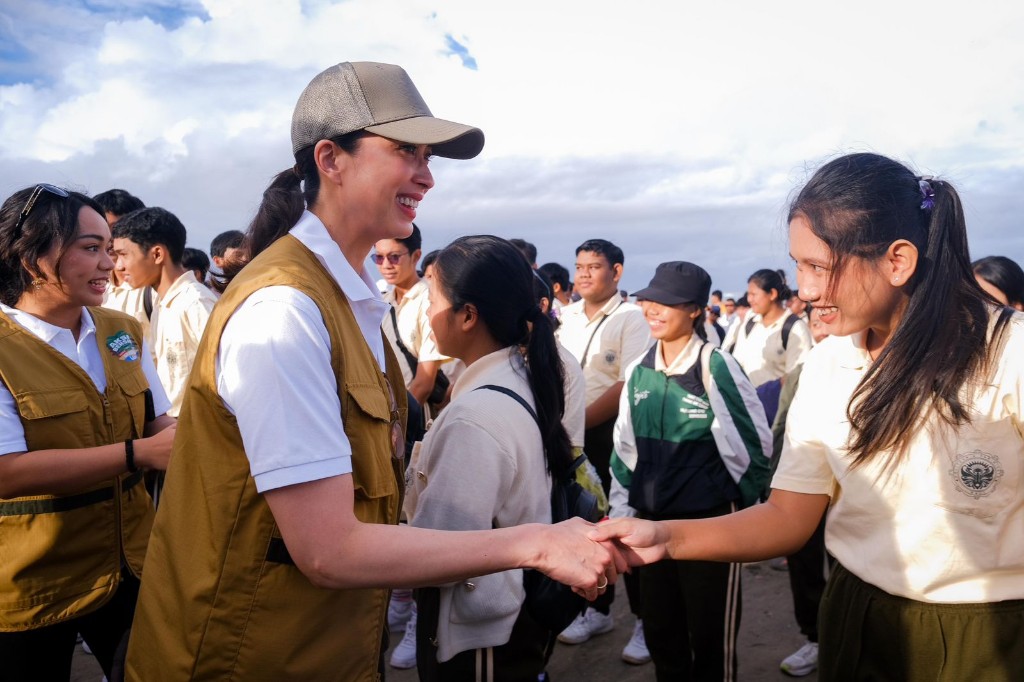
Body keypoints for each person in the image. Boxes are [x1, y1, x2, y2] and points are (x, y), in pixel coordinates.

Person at [124, 61, 618, 682]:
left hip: (320, 640)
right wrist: (537, 543)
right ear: (330, 159)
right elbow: (329, 550)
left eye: (428, 156)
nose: (427, 176)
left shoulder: (349, 300)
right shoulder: (285, 309)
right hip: (247, 651)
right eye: (406, 151)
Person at [593, 152, 1024, 682]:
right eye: (799, 266)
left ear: (898, 261)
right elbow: (787, 517)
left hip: (988, 638)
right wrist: (665, 538)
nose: (807, 289)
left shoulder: (1009, 355)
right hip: (856, 617)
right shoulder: (828, 363)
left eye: (819, 266)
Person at [0, 184, 176, 682]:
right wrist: (136, 454)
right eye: (91, 248)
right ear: (33, 256)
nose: (110, 265)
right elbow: (6, 473)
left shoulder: (120, 330)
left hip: (133, 565)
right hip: (33, 583)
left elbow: (158, 420)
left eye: (112, 249)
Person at [404, 235, 573, 679]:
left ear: (468, 315)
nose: (425, 311)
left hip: (481, 637)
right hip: (510, 616)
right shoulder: (515, 375)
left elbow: (438, 552)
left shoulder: (474, 417)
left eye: (433, 298)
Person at [610, 261, 771, 681]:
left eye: (668, 303)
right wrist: (623, 513)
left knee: (711, 636)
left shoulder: (715, 365)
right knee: (662, 632)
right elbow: (624, 451)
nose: (654, 310)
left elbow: (754, 449)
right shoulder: (639, 370)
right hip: (650, 526)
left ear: (696, 310)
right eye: (650, 299)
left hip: (710, 528)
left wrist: (739, 516)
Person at [555, 238, 651, 662]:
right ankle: (595, 608)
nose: (584, 275)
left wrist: (578, 424)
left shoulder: (631, 318)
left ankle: (646, 618)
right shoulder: (567, 315)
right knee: (581, 521)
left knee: (622, 522)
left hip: (608, 432)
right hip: (569, 435)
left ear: (617, 271)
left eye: (594, 267)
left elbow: (625, 384)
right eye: (579, 267)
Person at [111, 207, 218, 420]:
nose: (118, 266)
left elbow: (227, 377)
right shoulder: (162, 304)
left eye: (123, 255)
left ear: (157, 254)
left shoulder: (195, 302)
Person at [729, 269, 813, 423]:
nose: (749, 299)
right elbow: (736, 364)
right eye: (748, 294)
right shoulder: (750, 324)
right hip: (745, 410)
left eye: (754, 294)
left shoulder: (794, 328)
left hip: (775, 414)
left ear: (772, 294)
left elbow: (796, 379)